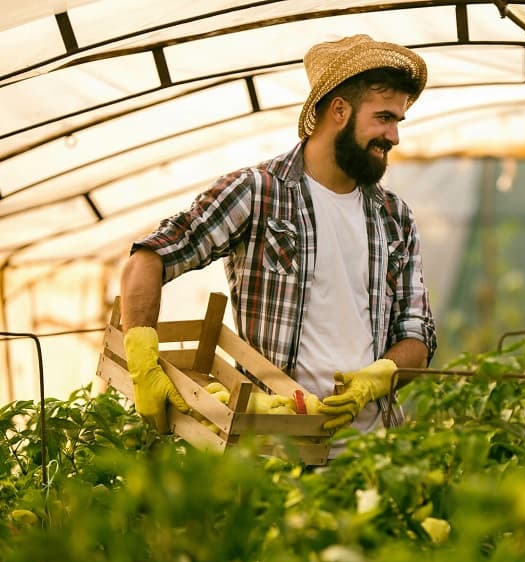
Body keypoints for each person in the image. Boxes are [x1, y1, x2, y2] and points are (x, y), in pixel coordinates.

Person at [118, 34, 436, 435]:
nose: (394, 136)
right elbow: (148, 260)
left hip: (370, 454)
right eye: (384, 118)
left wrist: (374, 379)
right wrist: (143, 364)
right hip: (274, 445)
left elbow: (416, 335)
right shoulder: (257, 193)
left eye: (397, 121)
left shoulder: (394, 216)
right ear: (339, 110)